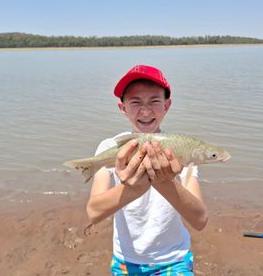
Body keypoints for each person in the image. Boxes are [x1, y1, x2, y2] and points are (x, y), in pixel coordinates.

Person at [86, 65, 208, 275]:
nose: (145, 111)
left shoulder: (181, 150)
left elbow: (200, 220)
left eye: (154, 101)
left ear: (167, 105)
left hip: (174, 259)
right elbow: (94, 213)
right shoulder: (109, 147)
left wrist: (165, 182)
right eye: (135, 102)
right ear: (122, 108)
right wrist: (132, 189)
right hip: (125, 261)